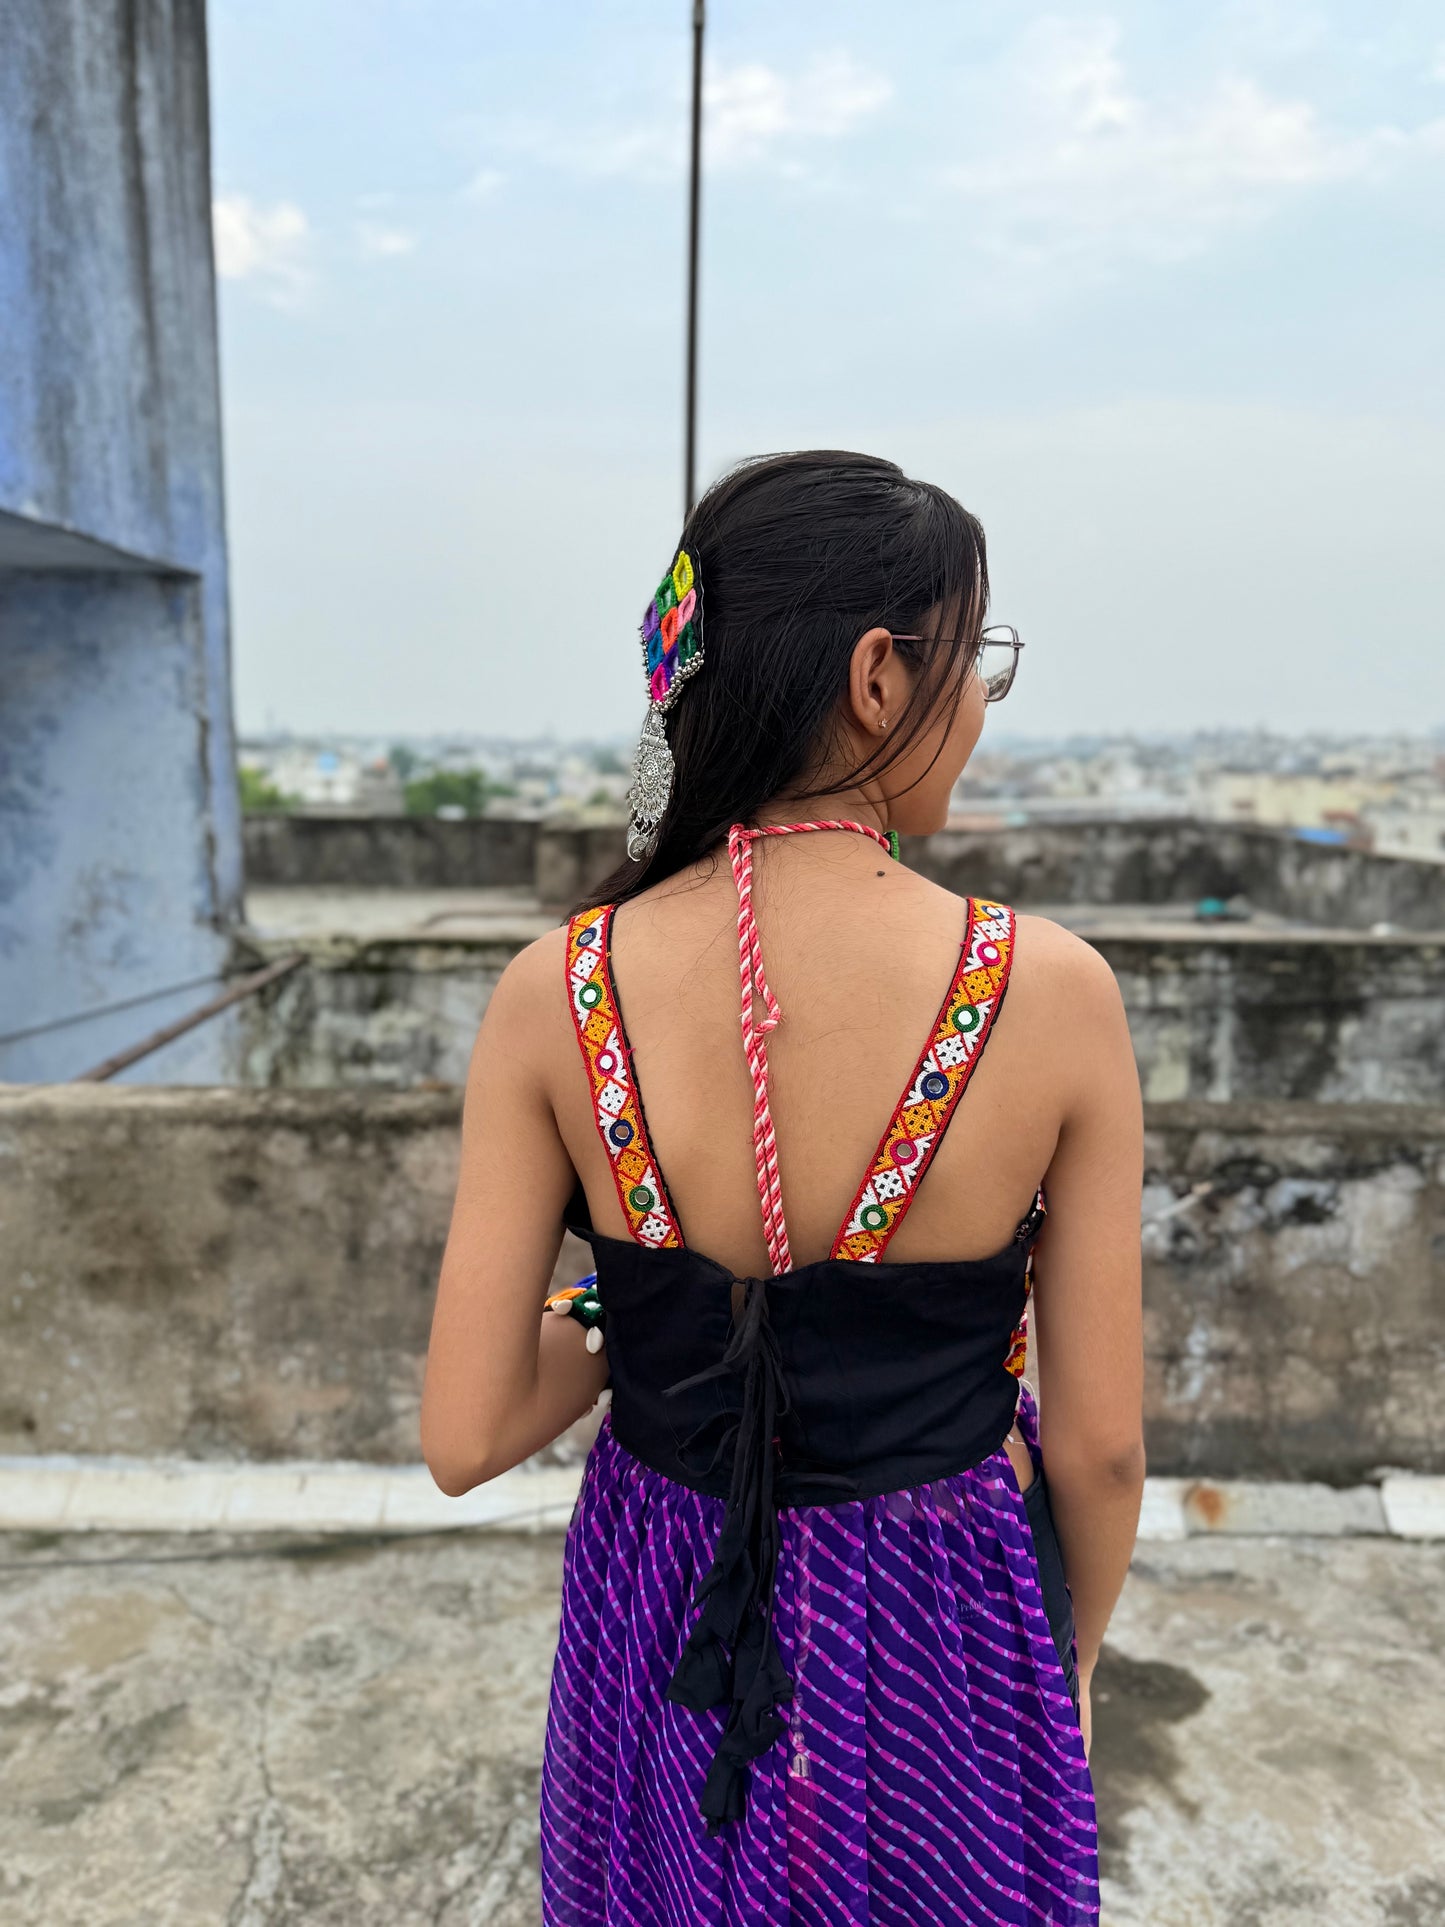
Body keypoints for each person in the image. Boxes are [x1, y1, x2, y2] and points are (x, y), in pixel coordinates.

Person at [422, 450, 1145, 1926]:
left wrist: (649, 1311)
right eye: (974, 660)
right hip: (948, 1620)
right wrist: (1061, 1663)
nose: (980, 708)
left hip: (659, 1611)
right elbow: (1102, 1452)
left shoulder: (555, 989)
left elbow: (466, 1431)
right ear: (878, 678)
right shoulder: (1048, 992)